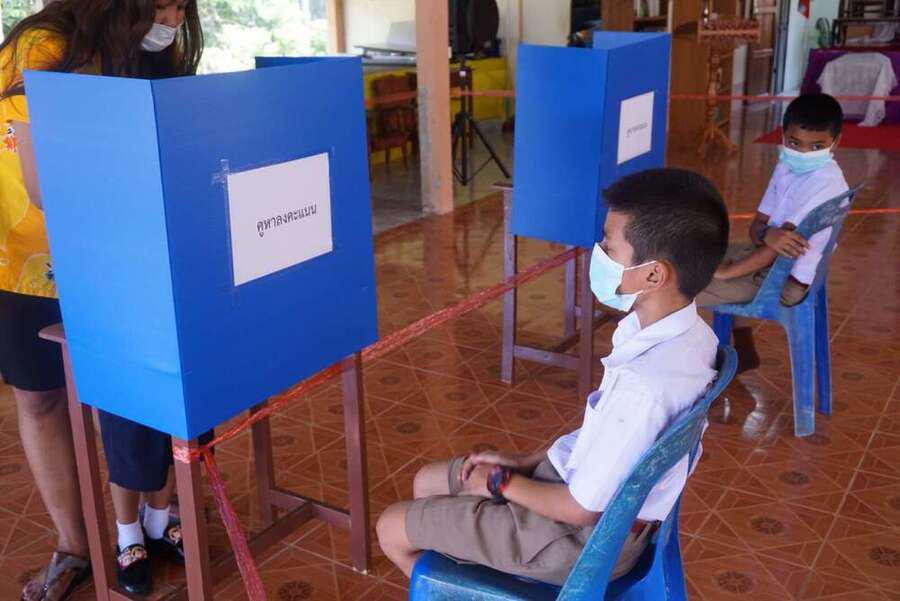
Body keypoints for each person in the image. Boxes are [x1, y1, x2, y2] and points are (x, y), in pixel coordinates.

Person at [376, 168, 729, 585]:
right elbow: (603, 439)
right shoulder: (692, 336)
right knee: (428, 482)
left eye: (609, 247)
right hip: (591, 503)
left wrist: (501, 482)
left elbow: (581, 509)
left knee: (391, 527)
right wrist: (525, 462)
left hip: (581, 542)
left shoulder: (645, 385)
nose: (599, 253)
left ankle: (460, 589)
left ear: (654, 275)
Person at [0, 1, 202, 599]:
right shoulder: (45, 46)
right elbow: (45, 184)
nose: (173, 17)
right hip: (27, 256)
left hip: (118, 250)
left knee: (137, 388)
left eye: (183, 5)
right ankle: (75, 544)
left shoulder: (148, 49)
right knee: (42, 398)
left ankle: (150, 519)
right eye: (162, 4)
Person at [696, 93, 849, 371]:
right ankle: (744, 351)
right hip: (769, 262)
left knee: (682, 288)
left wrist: (727, 272)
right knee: (696, 257)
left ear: (835, 142)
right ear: (783, 135)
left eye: (816, 146)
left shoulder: (826, 183)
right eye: (794, 143)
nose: (803, 153)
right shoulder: (786, 165)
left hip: (785, 281)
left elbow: (775, 248)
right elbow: (757, 228)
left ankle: (689, 370)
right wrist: (767, 235)